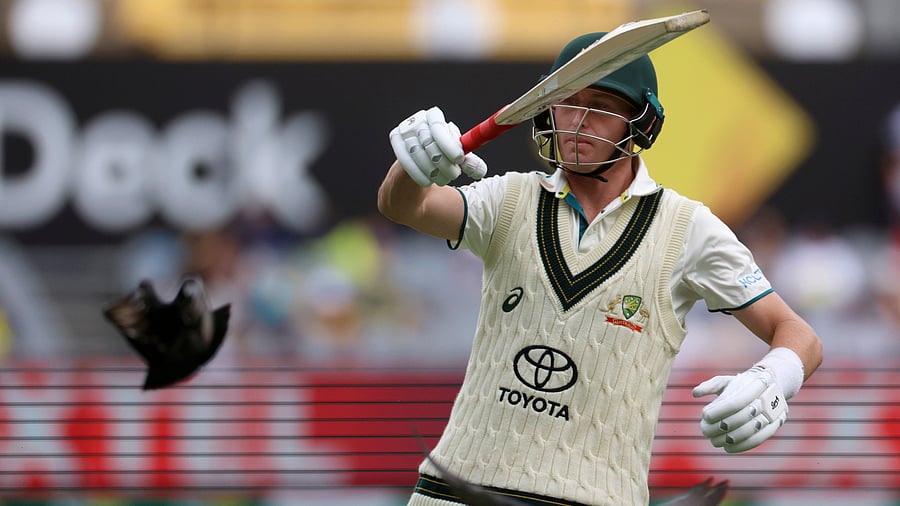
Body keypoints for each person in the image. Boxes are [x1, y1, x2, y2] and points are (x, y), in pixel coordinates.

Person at [377, 32, 823, 506]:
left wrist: (773, 378)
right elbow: (404, 207)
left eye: (602, 105)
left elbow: (799, 335)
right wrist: (412, 168)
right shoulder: (508, 199)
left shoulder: (688, 229)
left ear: (641, 121)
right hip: (458, 490)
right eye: (567, 102)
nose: (578, 121)